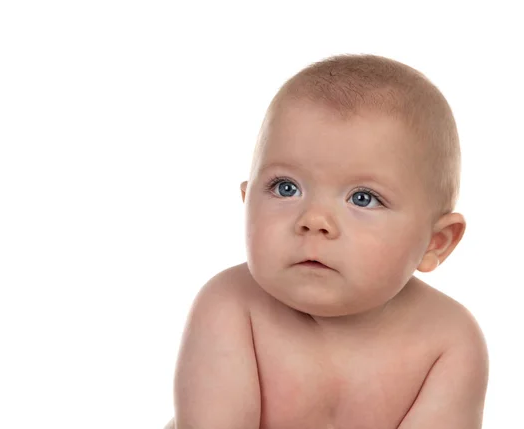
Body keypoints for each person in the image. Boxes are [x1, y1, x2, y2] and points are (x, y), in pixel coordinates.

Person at [166, 54, 489, 429]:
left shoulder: (448, 341)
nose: (314, 221)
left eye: (363, 198)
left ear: (436, 242)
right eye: (286, 188)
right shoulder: (230, 306)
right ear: (247, 201)